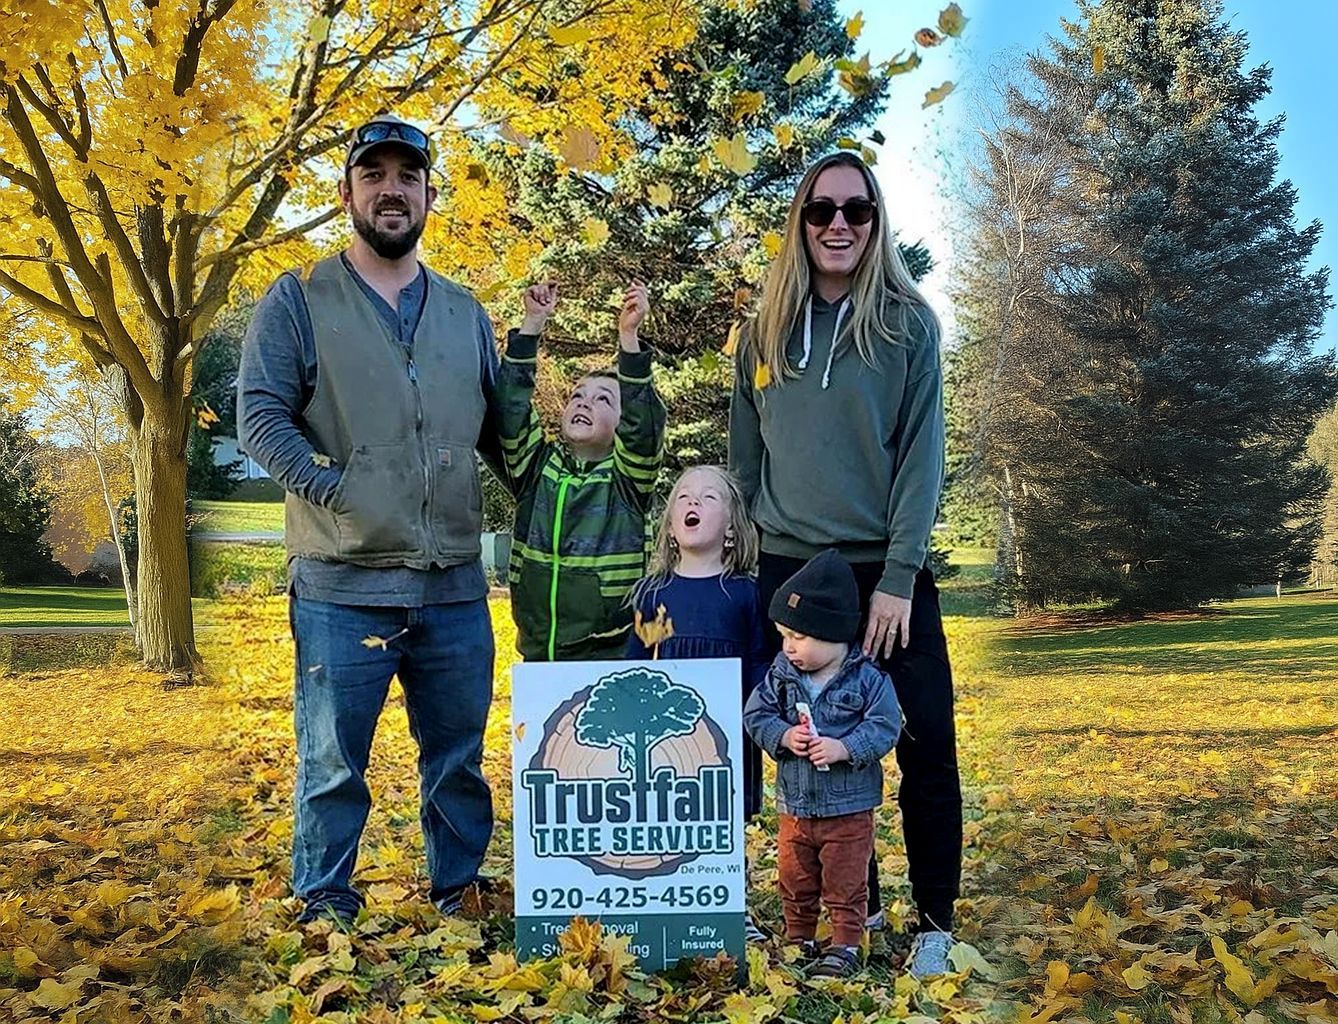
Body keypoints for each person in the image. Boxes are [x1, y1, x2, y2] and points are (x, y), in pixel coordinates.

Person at [237, 114, 502, 924]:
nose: (393, 190)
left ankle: (457, 892)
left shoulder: (464, 311)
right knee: (332, 762)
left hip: (455, 581)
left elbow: (506, 434)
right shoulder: (299, 299)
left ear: (428, 193)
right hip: (341, 584)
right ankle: (325, 904)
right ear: (348, 190)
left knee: (458, 759)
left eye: (408, 176)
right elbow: (259, 415)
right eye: (374, 175)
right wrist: (334, 488)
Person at [728, 150, 962, 976]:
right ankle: (816, 920)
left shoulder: (907, 324)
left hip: (881, 575)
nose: (837, 224)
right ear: (800, 221)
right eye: (821, 210)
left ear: (876, 220)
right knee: (791, 741)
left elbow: (921, 459)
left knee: (925, 739)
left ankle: (935, 921)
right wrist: (745, 546)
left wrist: (899, 575)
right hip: (788, 572)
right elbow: (744, 452)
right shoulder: (761, 331)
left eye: (855, 211)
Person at [623, 465, 770, 940]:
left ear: (731, 528)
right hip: (669, 732)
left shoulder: (746, 594)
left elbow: (760, 662)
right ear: (669, 525)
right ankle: (670, 895)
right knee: (673, 812)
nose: (692, 503)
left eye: (708, 497)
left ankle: (734, 905)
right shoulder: (653, 594)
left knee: (723, 819)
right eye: (683, 496)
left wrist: (755, 714)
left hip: (728, 729)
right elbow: (637, 663)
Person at [743, 550, 902, 978]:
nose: (788, 646)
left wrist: (844, 747)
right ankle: (800, 938)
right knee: (795, 878)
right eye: (783, 635)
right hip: (795, 807)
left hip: (847, 812)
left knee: (845, 881)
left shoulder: (867, 679)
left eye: (799, 637)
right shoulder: (780, 676)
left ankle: (847, 943)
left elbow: (886, 726)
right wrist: (781, 736)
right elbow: (755, 715)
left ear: (834, 634)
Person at [496, 279, 666, 661]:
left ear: (622, 422)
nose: (585, 403)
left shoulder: (628, 481)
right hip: (538, 651)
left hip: (608, 654)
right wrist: (532, 324)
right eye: (578, 396)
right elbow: (510, 409)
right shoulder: (536, 467)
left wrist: (629, 337)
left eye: (603, 399)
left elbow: (644, 428)